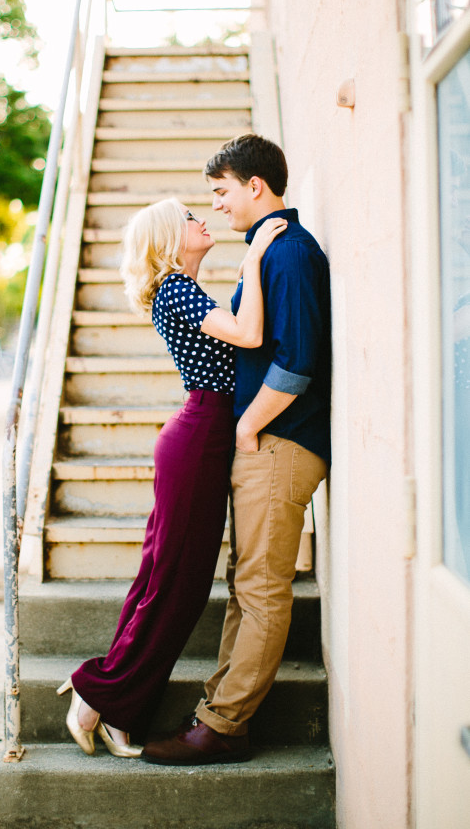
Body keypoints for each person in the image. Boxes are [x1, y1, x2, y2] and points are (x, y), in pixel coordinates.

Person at [57, 196, 287, 758]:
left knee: (164, 582)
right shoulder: (178, 289)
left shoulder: (182, 289)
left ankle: (113, 704)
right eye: (188, 217)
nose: (201, 220)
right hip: (199, 438)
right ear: (168, 238)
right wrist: (255, 257)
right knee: (175, 588)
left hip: (198, 436)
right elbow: (250, 335)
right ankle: (98, 697)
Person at [143, 133, 331, 766]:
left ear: (256, 186)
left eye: (221, 192)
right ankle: (218, 711)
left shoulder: (289, 253)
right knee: (244, 584)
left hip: (277, 443)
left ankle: (225, 726)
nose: (217, 205)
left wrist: (248, 428)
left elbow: (297, 360)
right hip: (262, 443)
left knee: (260, 589)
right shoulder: (266, 252)